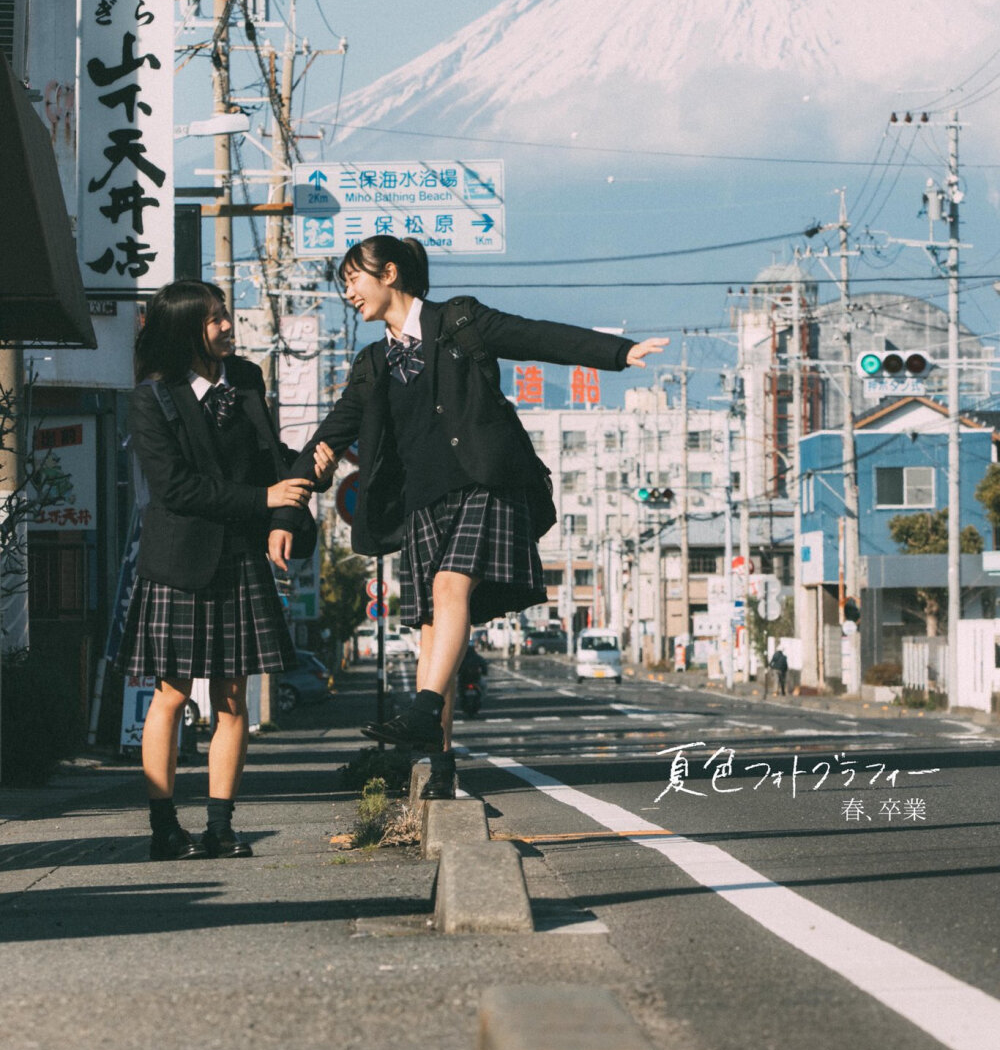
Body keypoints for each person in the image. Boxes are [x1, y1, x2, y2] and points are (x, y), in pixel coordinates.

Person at [272, 234, 667, 800]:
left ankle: (424, 709)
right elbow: (326, 437)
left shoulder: (459, 321)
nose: (348, 292)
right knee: (435, 636)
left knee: (451, 586)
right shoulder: (372, 364)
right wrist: (286, 512)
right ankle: (439, 765)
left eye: (353, 279)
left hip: (485, 481)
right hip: (422, 505)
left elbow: (536, 336)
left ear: (388, 274)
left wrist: (617, 353)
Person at [117, 280, 315, 861]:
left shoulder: (248, 380)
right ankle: (163, 829)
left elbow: (270, 460)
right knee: (171, 695)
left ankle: (221, 827)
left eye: (225, 314)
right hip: (179, 560)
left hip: (239, 555)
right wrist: (262, 501)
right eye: (214, 319)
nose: (228, 325)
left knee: (235, 700)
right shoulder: (151, 398)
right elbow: (174, 488)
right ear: (185, 331)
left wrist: (283, 514)